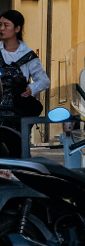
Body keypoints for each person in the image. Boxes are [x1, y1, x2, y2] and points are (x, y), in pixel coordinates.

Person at [0, 10, 50, 154]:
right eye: (0, 25)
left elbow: (44, 81)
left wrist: (31, 88)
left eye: (6, 25)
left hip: (18, 113)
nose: (1, 28)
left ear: (17, 28)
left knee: (16, 150)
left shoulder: (28, 56)